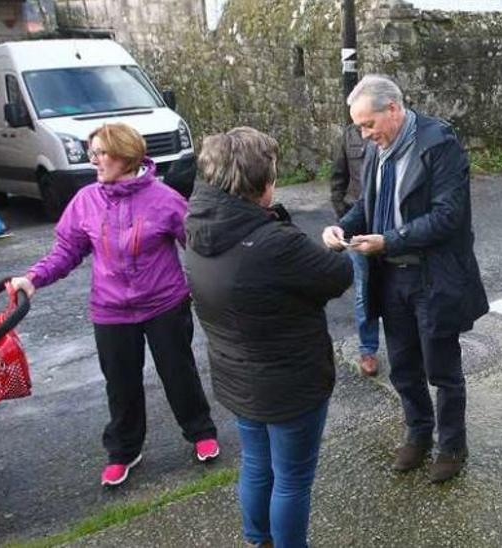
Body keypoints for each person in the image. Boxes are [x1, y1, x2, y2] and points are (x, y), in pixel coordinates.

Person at [10, 123, 218, 487]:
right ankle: (123, 450)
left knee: (178, 373)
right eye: (92, 153)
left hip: (164, 304)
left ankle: (200, 431)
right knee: (120, 383)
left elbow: (198, 247)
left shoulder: (165, 198)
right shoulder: (86, 200)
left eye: (100, 153)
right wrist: (34, 278)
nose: (94, 161)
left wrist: (221, 279)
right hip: (110, 310)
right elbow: (67, 250)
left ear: (125, 154)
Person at [184, 127, 352, 548]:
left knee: (258, 464)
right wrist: (330, 246)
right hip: (289, 382)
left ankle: (257, 539)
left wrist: (272, 219)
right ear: (259, 183)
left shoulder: (200, 227)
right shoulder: (274, 245)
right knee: (292, 479)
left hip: (237, 375)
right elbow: (337, 276)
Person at [321, 74, 489, 483]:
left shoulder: (439, 144)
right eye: (360, 126)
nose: (363, 134)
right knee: (403, 367)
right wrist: (341, 227)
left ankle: (452, 446)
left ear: (392, 109)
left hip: (432, 277)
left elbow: (448, 216)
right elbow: (367, 202)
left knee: (442, 369)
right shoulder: (381, 147)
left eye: (368, 124)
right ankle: (418, 433)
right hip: (391, 276)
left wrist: (389, 240)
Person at [330, 122, 382, 376]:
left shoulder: (395, 135)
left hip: (386, 224)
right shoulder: (349, 134)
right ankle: (368, 349)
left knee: (399, 284)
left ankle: (408, 346)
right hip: (357, 221)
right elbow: (338, 177)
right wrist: (343, 218)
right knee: (364, 289)